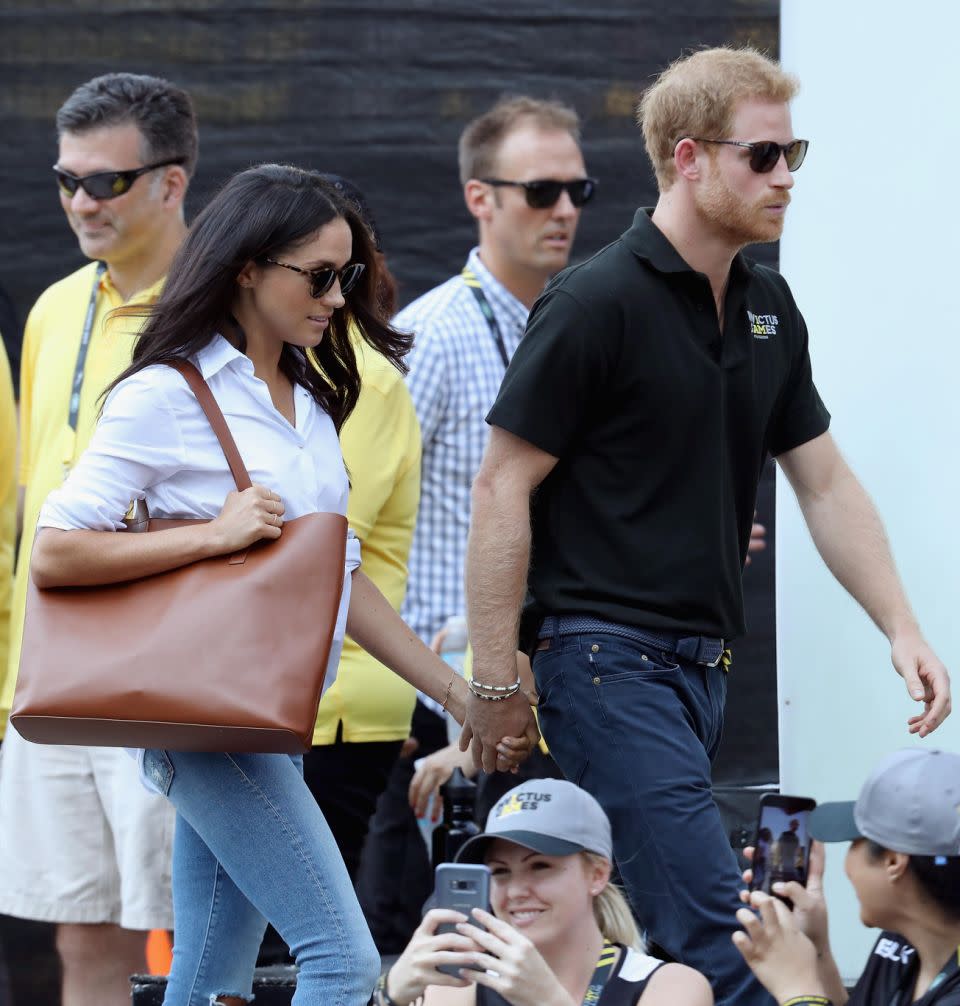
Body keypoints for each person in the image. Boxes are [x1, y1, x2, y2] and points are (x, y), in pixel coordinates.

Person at [459, 45, 951, 1006]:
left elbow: (824, 484)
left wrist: (901, 624)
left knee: (671, 944)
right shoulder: (595, 300)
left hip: (694, 674)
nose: (787, 178)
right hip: (603, 665)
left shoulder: (767, 303)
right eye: (762, 157)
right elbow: (498, 490)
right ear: (688, 158)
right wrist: (492, 678)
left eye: (794, 153)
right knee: (733, 944)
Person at [26, 163, 529, 1006]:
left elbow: (342, 577)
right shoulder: (165, 394)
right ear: (248, 268)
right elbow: (55, 550)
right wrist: (211, 535)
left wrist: (459, 692)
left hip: (267, 719)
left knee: (208, 972)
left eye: (349, 277)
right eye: (320, 276)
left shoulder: (307, 402)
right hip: (207, 717)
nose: (337, 297)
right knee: (342, 961)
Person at [0, 72, 196, 1006]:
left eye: (106, 181)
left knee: (184, 939)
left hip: (163, 680)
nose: (82, 200)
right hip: (49, 680)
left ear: (172, 181)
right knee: (80, 933)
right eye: (67, 179)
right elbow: (29, 509)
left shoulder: (222, 311)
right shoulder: (49, 309)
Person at [303, 174, 422, 882]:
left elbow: (323, 540)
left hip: (336, 701)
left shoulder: (363, 377)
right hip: (265, 693)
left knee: (301, 941)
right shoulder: (274, 368)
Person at [379, 778, 712, 1006]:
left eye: (540, 867)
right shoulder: (461, 987)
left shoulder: (669, 986)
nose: (516, 891)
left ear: (597, 874)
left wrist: (547, 999)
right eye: (500, 872)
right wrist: (388, 995)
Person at [734, 747, 960, 1006]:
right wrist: (816, 944)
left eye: (854, 841)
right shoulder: (904, 942)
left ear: (893, 862)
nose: (846, 866)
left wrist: (798, 991)